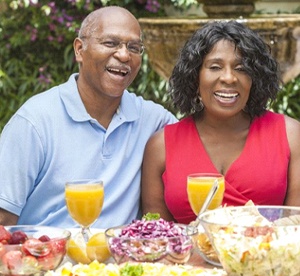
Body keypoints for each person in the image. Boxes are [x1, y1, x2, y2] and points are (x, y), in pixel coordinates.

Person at [0, 6, 177, 228]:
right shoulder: (34, 122)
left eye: (134, 47)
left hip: (121, 259)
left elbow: (202, 140)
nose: (124, 55)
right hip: (48, 257)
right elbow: (3, 220)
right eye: (110, 43)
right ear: (79, 50)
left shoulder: (152, 120)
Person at [141, 20, 300, 224]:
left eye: (241, 68)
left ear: (255, 78)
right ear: (194, 77)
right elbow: (156, 233)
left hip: (268, 254)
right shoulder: (160, 146)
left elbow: (296, 227)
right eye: (215, 67)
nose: (229, 78)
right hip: (187, 256)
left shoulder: (291, 135)